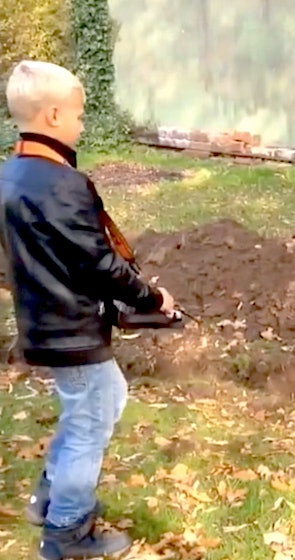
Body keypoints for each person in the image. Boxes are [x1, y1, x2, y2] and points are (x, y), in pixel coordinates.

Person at [0, 60, 175, 559]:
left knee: (105, 398)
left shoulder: (11, 175)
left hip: (43, 322)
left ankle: (49, 493)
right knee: (89, 425)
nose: (81, 124)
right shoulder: (61, 184)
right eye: (78, 115)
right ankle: (67, 532)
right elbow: (99, 263)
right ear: (54, 115)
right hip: (70, 329)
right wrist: (152, 297)